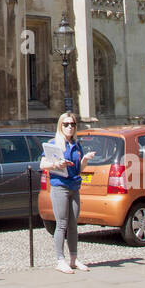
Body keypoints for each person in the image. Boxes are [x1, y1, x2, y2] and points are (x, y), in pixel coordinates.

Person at [39, 112, 97, 274]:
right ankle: (60, 260)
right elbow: (43, 163)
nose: (69, 127)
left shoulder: (76, 145)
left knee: (73, 224)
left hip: (74, 187)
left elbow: (80, 169)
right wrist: (57, 164)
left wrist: (85, 159)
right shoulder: (54, 143)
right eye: (66, 124)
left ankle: (73, 259)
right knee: (62, 224)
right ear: (60, 126)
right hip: (60, 187)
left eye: (72, 124)